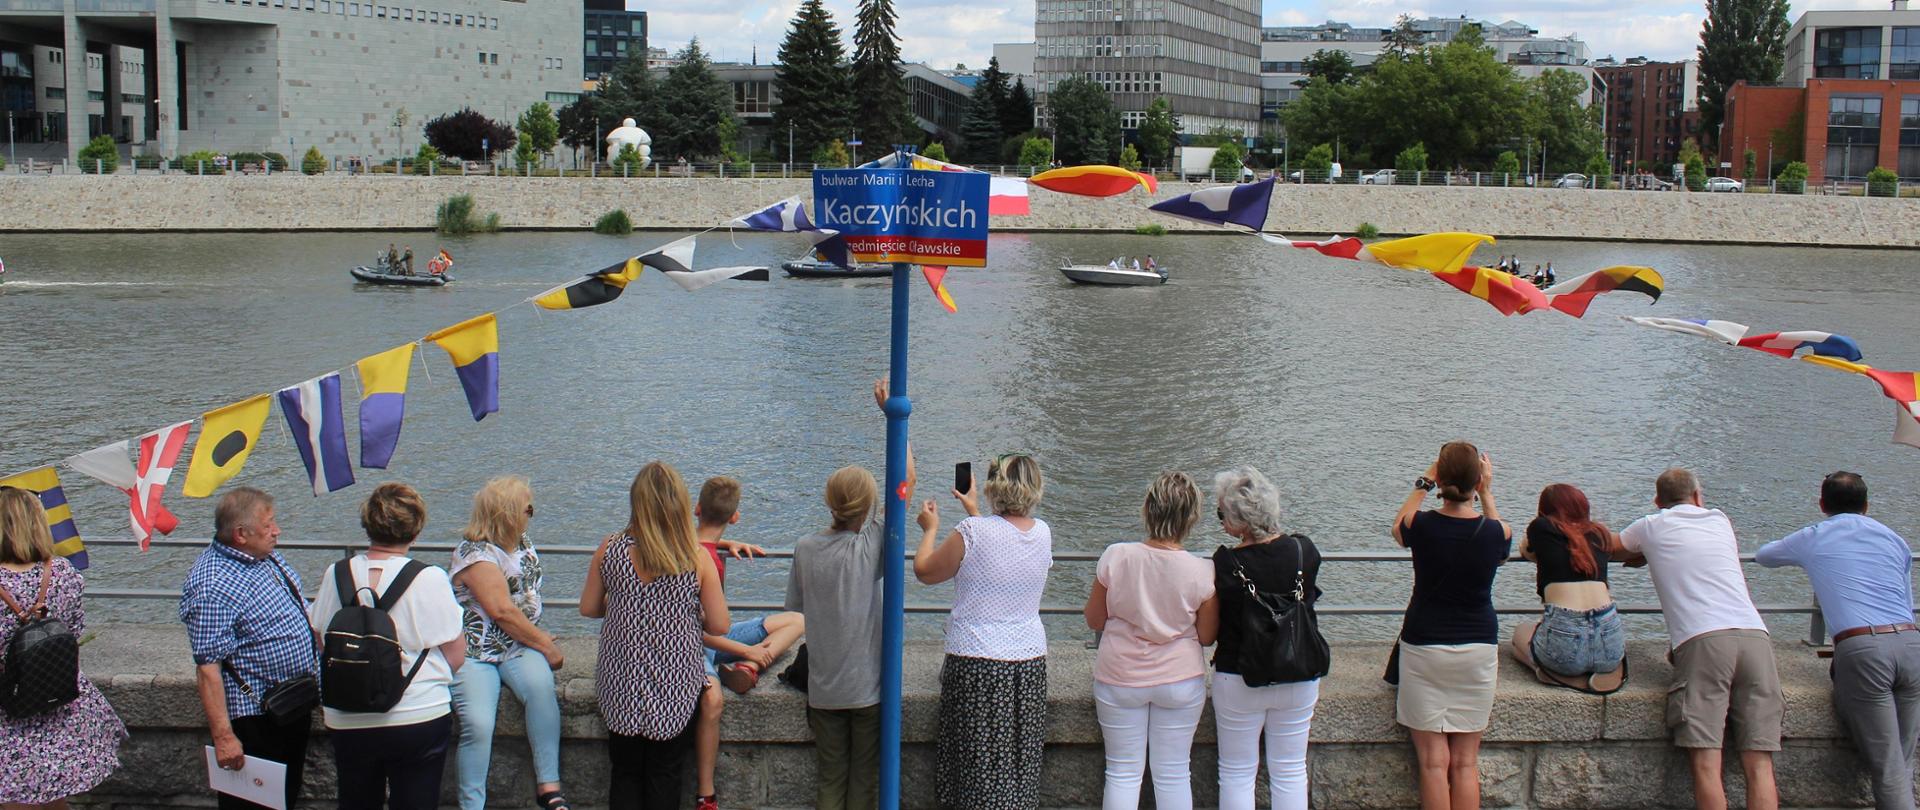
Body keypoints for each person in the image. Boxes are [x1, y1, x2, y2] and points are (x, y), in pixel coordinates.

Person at [786, 380, 918, 810]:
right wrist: (894, 420)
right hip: (867, 690)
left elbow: (795, 609)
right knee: (863, 782)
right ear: (868, 507)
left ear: (830, 503)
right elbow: (906, 483)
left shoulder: (805, 548)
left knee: (830, 779)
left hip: (824, 689)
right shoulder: (871, 545)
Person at [1619, 469, 1780, 810]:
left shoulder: (1650, 526)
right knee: (1760, 765)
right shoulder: (1720, 520)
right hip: (1755, 637)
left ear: (1657, 501)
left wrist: (1644, 553)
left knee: (1707, 765)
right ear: (1697, 496)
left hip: (1703, 641)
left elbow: (1609, 546)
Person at [1756, 472, 1914, 810]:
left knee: (1888, 768)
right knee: (1903, 760)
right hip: (1912, 644)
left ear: (1822, 504)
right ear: (1866, 505)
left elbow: (1764, 556)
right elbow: (1906, 597)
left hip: (1864, 650)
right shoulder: (1894, 538)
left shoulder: (1814, 535)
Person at [307, 483, 466, 810]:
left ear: (367, 525)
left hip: (348, 715)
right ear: (416, 529)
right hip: (417, 712)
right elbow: (456, 653)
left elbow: (322, 639)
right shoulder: (429, 577)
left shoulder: (337, 573)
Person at [583, 461, 730, 810]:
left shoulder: (610, 548)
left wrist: (624, 602)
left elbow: (589, 608)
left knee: (624, 773)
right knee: (665, 773)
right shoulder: (695, 557)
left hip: (621, 682)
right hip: (674, 686)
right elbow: (720, 626)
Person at [916, 453, 1053, 810]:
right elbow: (1003, 548)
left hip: (978, 665)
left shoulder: (972, 532)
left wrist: (930, 529)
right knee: (1018, 767)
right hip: (1028, 666)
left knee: (978, 769)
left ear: (995, 487)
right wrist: (974, 510)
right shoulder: (1042, 533)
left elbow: (926, 571)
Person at [1084, 472, 1218, 810]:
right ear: (1191, 518)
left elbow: (1094, 619)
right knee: (1173, 774)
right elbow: (1206, 636)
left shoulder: (1116, 556)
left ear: (1148, 509)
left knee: (1122, 773)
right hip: (1179, 679)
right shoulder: (1203, 571)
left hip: (1119, 677)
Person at [180, 487, 319, 810]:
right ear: (241, 534)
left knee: (285, 798)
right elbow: (208, 667)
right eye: (268, 525)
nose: (277, 530)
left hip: (291, 704)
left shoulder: (264, 557)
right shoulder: (212, 583)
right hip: (256, 718)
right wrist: (224, 737)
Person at [1389, 442, 1511, 810]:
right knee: (1465, 762)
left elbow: (1397, 529)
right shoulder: (1495, 533)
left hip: (1424, 644)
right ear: (1478, 480)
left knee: (1432, 762)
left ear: (1440, 479)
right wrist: (1487, 493)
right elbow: (1501, 544)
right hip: (1478, 648)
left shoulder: (1421, 525)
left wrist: (1424, 482)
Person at [0, 487, 127, 809]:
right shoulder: (63, 572)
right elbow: (73, 630)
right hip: (55, 699)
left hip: (7, 708)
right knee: (54, 797)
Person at [447, 477, 570, 810]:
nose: (532, 513)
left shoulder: (521, 542)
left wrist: (532, 634)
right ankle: (472, 803)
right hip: (476, 651)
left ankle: (549, 787)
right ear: (509, 514)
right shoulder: (475, 555)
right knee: (478, 723)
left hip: (518, 645)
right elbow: (501, 610)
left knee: (541, 693)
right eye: (528, 509)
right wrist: (545, 645)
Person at [1210, 467, 1323, 810]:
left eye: (1221, 514)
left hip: (1239, 673)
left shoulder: (1225, 562)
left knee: (1237, 772)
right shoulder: (1304, 551)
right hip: (1299, 669)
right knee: (1290, 770)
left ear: (1239, 522)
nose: (1220, 522)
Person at [693, 476, 805, 810]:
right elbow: (687, 629)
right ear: (735, 516)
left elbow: (700, 539)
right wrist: (745, 648)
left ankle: (748, 667)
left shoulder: (688, 544)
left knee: (797, 619)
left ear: (696, 509)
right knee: (712, 700)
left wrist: (726, 543)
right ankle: (706, 793)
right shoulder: (692, 556)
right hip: (694, 644)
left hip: (716, 637)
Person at [1510, 484, 1627, 694]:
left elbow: (1526, 548)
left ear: (1544, 510)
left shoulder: (1541, 527)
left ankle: (1547, 671)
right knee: (1600, 641)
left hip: (1565, 634)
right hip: (1609, 632)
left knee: (1520, 634)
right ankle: (1608, 669)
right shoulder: (1600, 534)